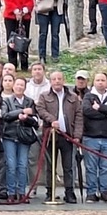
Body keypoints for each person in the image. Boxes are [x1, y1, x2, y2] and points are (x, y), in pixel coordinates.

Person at [35, 71, 81, 203]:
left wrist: (77, 135)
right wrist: (51, 120)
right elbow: (40, 109)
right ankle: (50, 191)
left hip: (67, 136)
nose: (57, 81)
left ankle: (69, 191)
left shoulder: (73, 97)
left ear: (64, 80)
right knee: (50, 166)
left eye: (59, 79)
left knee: (69, 166)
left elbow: (79, 116)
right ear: (50, 81)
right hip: (51, 136)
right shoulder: (44, 96)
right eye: (54, 79)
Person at [81, 72, 107, 202]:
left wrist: (99, 108)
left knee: (105, 167)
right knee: (91, 167)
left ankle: (105, 191)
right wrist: (106, 113)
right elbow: (87, 111)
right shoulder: (88, 96)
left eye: (103, 80)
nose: (100, 82)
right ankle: (91, 192)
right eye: (98, 80)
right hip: (90, 137)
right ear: (94, 82)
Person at [0, 77, 39, 203]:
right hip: (9, 136)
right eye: (17, 84)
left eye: (22, 85)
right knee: (11, 165)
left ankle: (22, 192)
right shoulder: (7, 101)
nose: (19, 87)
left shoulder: (30, 101)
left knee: (22, 165)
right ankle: (11, 192)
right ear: (13, 86)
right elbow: (5, 116)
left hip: (24, 137)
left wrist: (26, 119)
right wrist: (20, 112)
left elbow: (35, 121)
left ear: (25, 87)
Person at [33, 0, 67, 64]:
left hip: (57, 8)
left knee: (55, 33)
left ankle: (55, 55)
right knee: (43, 33)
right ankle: (42, 56)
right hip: (44, 9)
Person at [3, 0, 34, 71]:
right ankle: (12, 64)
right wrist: (16, 11)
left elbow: (30, 0)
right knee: (11, 40)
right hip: (11, 16)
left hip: (25, 16)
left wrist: (25, 10)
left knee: (24, 39)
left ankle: (24, 63)